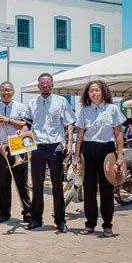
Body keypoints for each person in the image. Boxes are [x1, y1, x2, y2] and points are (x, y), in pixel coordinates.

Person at [74, 80, 125, 237]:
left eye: (96, 90)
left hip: (107, 151)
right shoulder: (84, 110)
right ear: (87, 94)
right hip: (88, 151)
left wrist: (120, 157)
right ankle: (90, 224)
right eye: (90, 91)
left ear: (103, 91)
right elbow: (80, 134)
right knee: (88, 189)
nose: (93, 93)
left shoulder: (112, 109)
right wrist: (76, 157)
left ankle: (107, 225)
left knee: (106, 190)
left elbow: (118, 134)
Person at [27, 73, 76, 233]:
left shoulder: (61, 101)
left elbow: (69, 123)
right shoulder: (32, 103)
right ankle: (36, 219)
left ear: (52, 84)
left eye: (48, 83)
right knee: (37, 185)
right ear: (38, 86)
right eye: (42, 83)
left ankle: (60, 220)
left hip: (56, 147)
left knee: (57, 186)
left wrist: (69, 144)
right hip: (37, 147)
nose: (45, 85)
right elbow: (27, 125)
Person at [0, 82, 31, 223]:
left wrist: (7, 120)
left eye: (8, 90)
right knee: (3, 183)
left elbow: (27, 125)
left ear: (13, 91)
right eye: (3, 91)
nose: (6, 93)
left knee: (21, 182)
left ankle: (27, 212)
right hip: (1, 148)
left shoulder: (21, 107)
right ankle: (4, 213)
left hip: (18, 147)